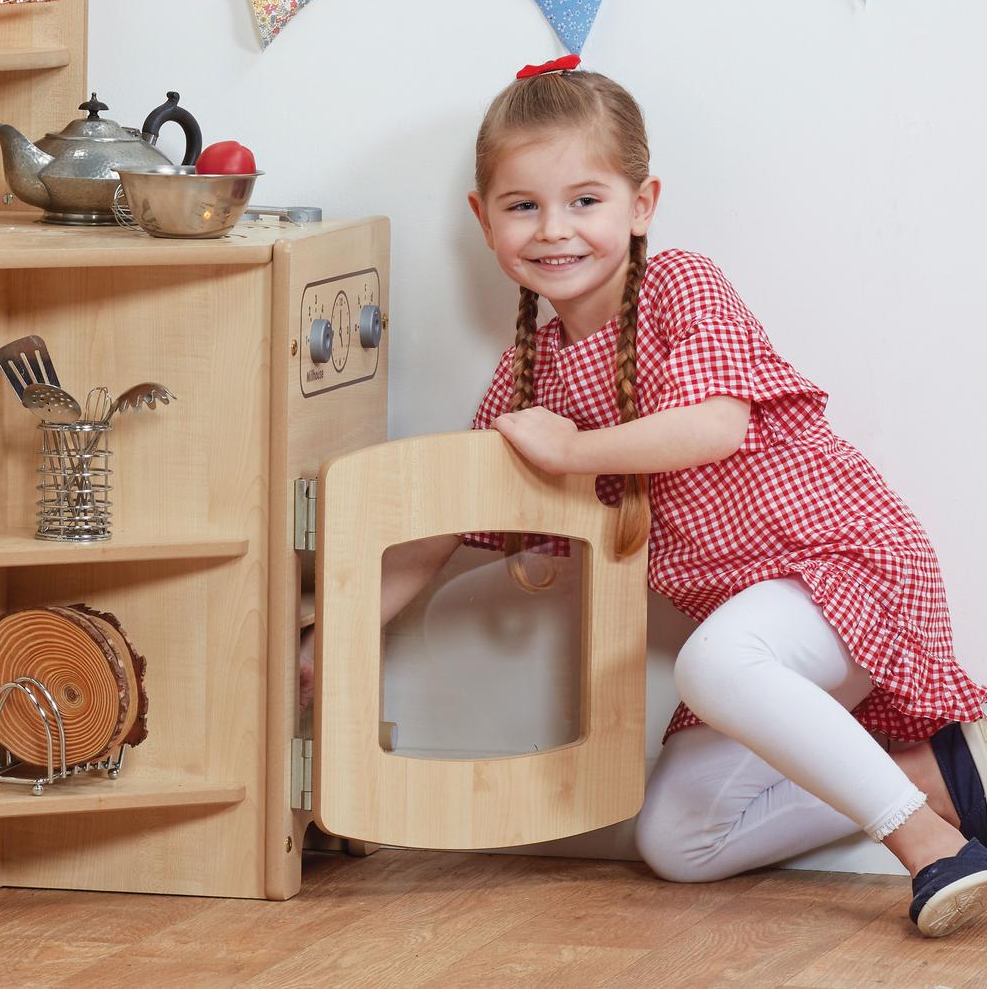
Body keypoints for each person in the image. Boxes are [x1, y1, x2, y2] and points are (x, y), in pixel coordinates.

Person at [301, 55, 987, 937]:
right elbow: (440, 534)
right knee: (677, 841)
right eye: (523, 206)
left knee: (714, 662)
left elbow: (716, 427)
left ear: (643, 205)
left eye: (586, 200)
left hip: (841, 567)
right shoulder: (527, 378)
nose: (555, 230)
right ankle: (944, 776)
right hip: (754, 630)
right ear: (484, 220)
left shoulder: (679, 287)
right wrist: (336, 637)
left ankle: (930, 846)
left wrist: (576, 449)